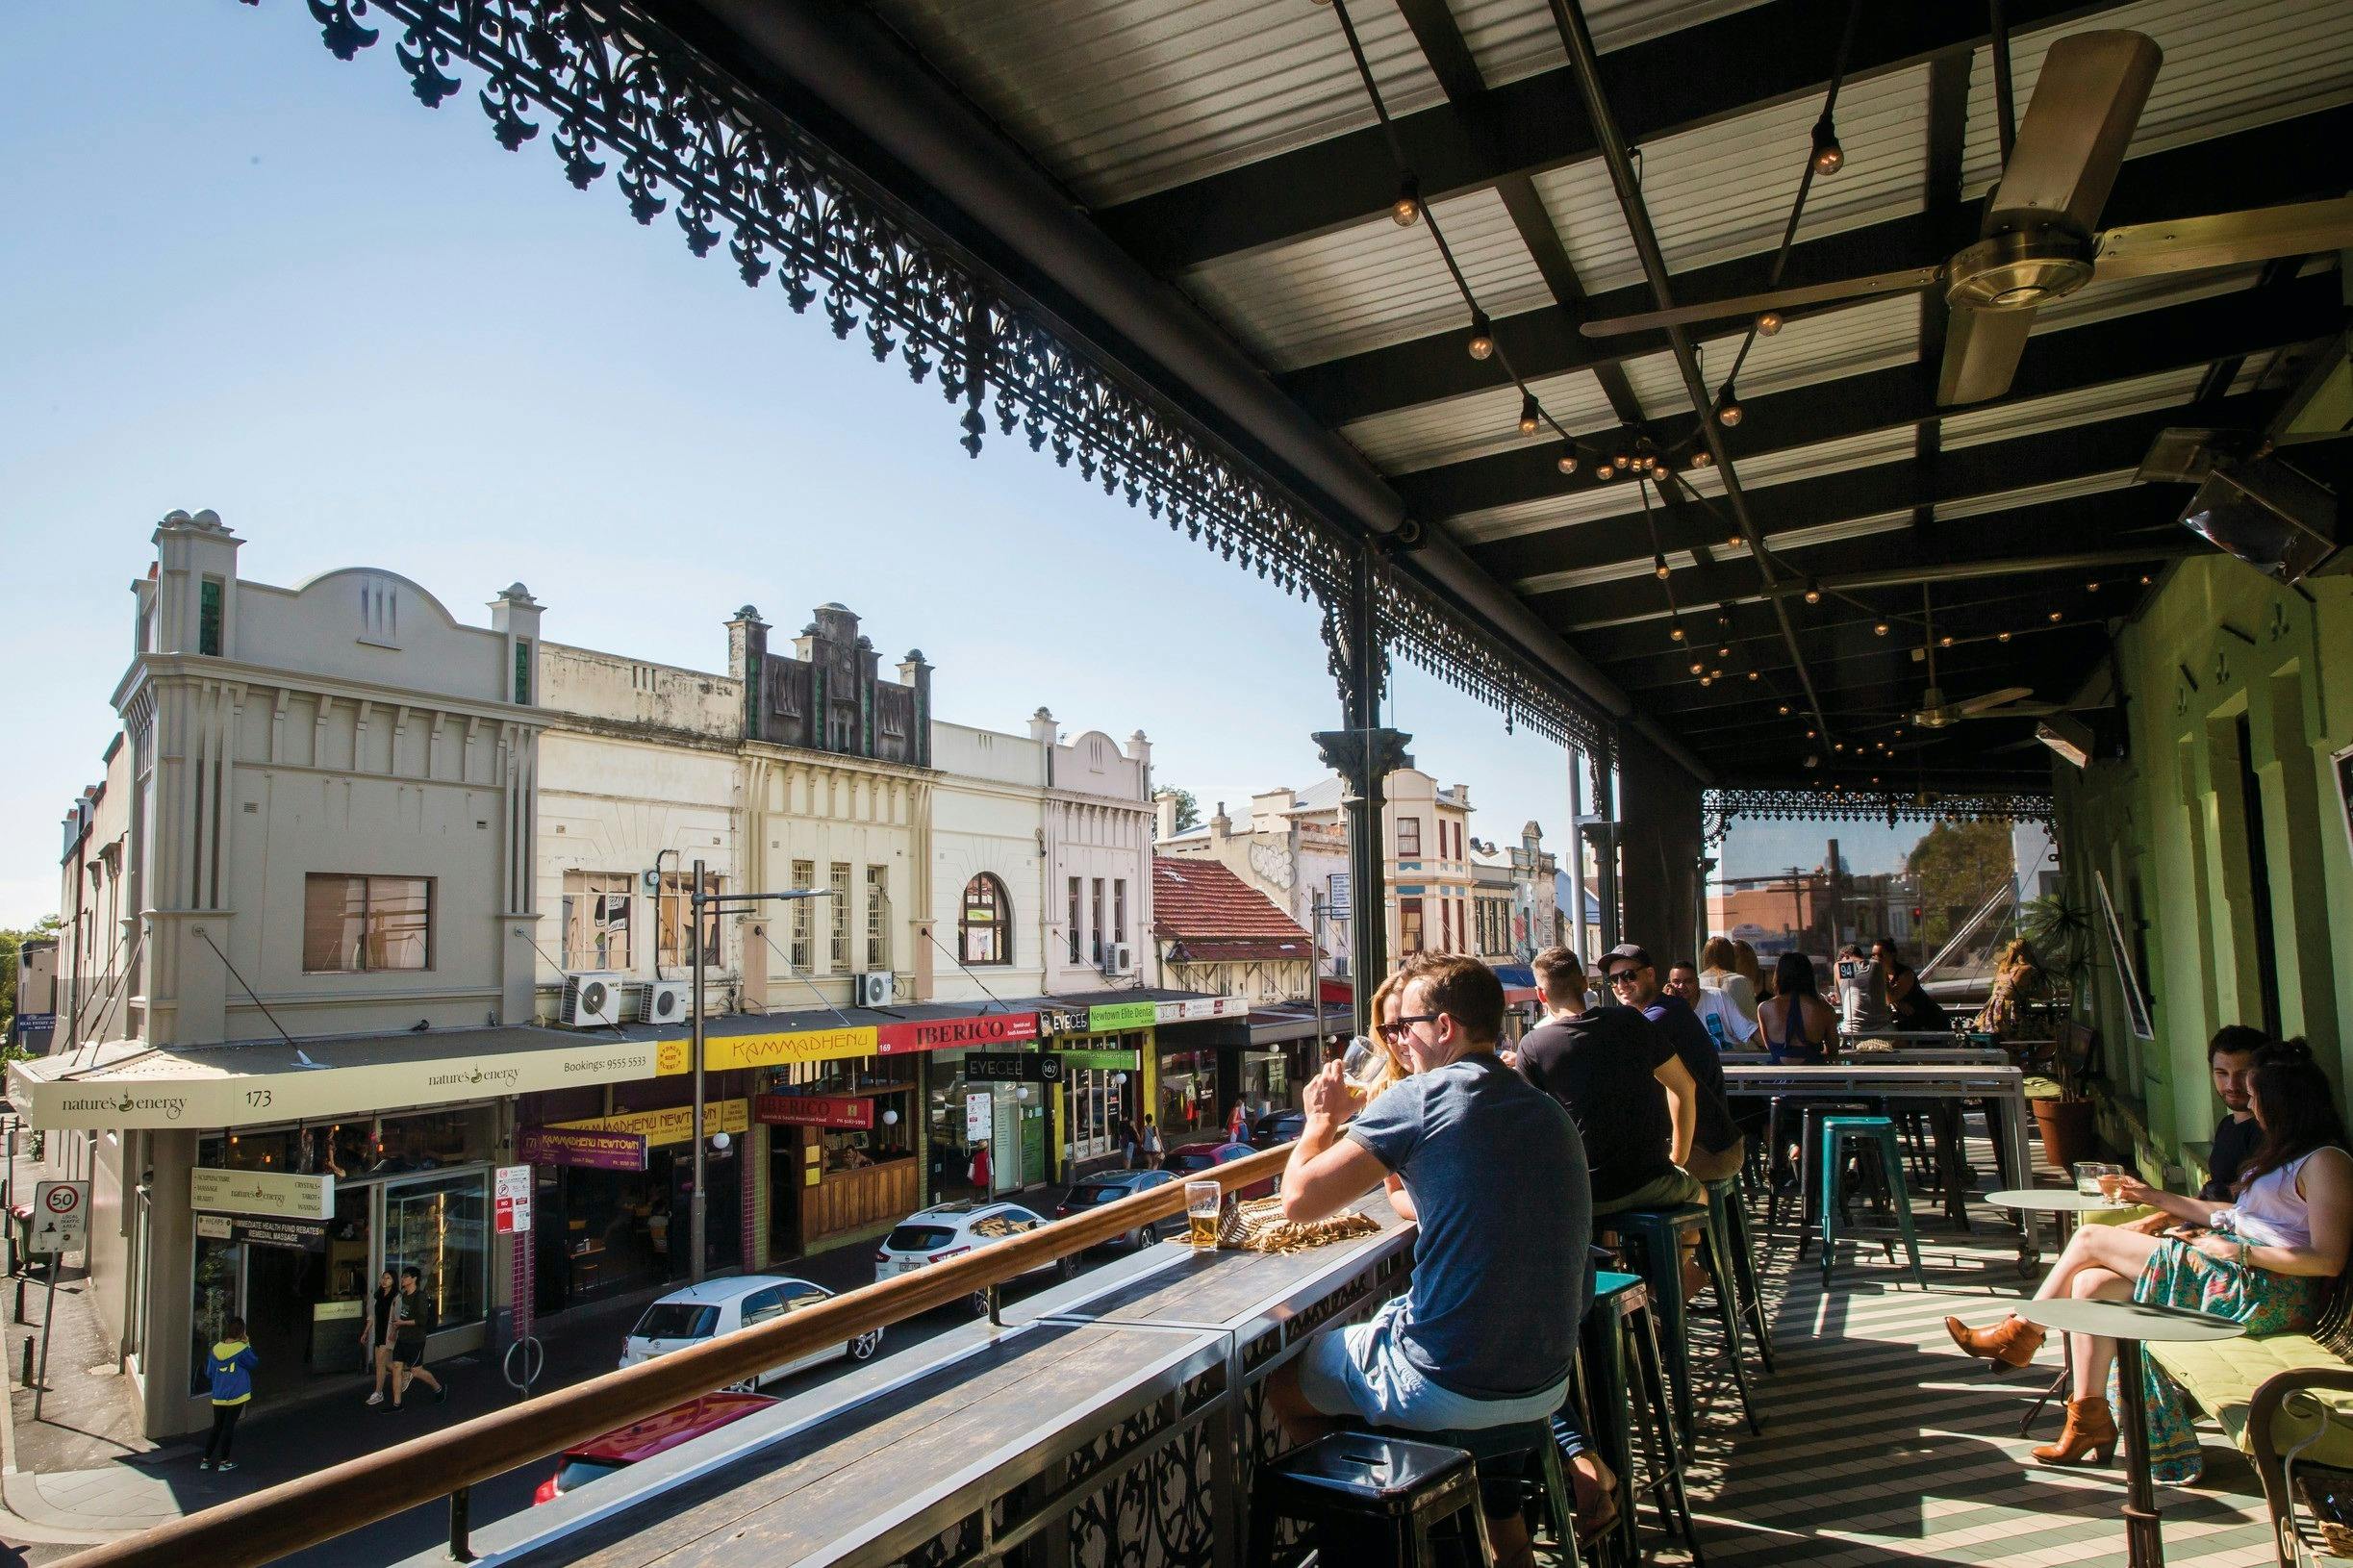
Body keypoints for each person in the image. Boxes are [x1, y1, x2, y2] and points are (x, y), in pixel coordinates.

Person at [1267, 954, 1589, 1568]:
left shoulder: (1424, 1095)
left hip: (1450, 1383)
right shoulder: (1538, 1105)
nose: (1397, 1042)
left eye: (1404, 1027)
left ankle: (1381, 1539)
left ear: (1443, 1028)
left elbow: (1300, 1201)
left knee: (1286, 1384)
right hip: (1546, 1384)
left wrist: (1319, 1121)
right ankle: (1463, 1532)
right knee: (1418, 1322)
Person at [1945, 1039, 2352, 1480]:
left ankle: (2021, 1333)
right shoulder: (2281, 1156)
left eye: (2256, 1097)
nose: (2250, 1105)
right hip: (2238, 1275)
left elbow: (2327, 1260)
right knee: (2091, 1288)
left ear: (2284, 1103)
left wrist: (2241, 1251)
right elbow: (2233, 1216)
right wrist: (2151, 1196)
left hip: (2268, 1291)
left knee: (2089, 1238)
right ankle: (2088, 1419)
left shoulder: (2326, 1162)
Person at [1519, 947, 1702, 1215]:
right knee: (1699, 1194)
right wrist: (1678, 1159)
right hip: (1649, 1180)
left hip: (1585, 1192)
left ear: (1541, 995)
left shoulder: (1533, 1045)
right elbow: (1685, 1086)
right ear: (1584, 983)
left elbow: (1531, 1130)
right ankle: (1683, 1257)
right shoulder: (1630, 1021)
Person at [1603, 944, 1745, 1184]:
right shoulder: (1663, 1011)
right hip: (1709, 1144)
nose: (1621, 985)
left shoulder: (1661, 1016)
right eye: (1613, 979)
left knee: (1617, 1186)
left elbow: (1611, 1058)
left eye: (1628, 975)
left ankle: (1692, 1219)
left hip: (1710, 1151)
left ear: (1650, 974)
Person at [199, 1316, 257, 1471]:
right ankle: (224, 1462)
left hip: (219, 1395)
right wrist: (247, 1343)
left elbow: (209, 1373)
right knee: (228, 1426)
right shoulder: (242, 1349)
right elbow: (253, 1363)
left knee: (217, 1426)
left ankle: (205, 1459)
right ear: (242, 1332)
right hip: (237, 1394)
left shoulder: (215, 1349)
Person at [1756, 952, 1834, 1065]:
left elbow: (1769, 1047)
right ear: (1809, 976)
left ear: (1778, 976)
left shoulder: (1764, 1008)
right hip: (1814, 1077)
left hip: (1776, 1078)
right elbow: (1833, 1050)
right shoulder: (1824, 1008)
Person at [389, 1267, 446, 1410]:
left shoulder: (419, 1296)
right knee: (396, 1367)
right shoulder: (403, 1295)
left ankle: (438, 1388)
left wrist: (402, 1323)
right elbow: (403, 1316)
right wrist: (396, 1329)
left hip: (416, 1339)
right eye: (402, 1276)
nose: (403, 1279)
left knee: (416, 1371)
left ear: (414, 1279)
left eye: (406, 1276)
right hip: (403, 1338)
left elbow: (421, 1320)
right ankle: (397, 1403)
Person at [1671, 958, 1756, 1049]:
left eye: (1688, 981)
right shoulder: (1666, 1008)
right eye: (1676, 982)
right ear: (1669, 984)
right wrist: (1666, 1004)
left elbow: (1749, 1031)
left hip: (1728, 1061)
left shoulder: (1717, 996)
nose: (1681, 986)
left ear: (1697, 982)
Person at [1699, 936, 1761, 1029]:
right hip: (1738, 1042)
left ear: (1705, 957)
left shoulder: (1697, 982)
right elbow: (1752, 1022)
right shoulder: (1741, 981)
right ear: (1730, 956)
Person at [1836, 942, 1892, 1033]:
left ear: (1845, 956)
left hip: (1853, 1033)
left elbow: (1840, 999)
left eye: (1839, 959)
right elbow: (1888, 998)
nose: (1839, 962)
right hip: (1884, 1030)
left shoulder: (1840, 965)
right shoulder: (1878, 965)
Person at [363, 1269, 398, 1406]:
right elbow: (372, 1315)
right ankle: (403, 1373)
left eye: (388, 1278)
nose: (384, 1280)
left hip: (388, 1334)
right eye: (383, 1278)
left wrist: (394, 1331)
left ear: (393, 1280)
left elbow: (397, 1317)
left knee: (380, 1362)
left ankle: (378, 1392)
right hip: (379, 1332)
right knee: (381, 1363)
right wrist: (366, 1331)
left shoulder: (396, 1296)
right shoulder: (378, 1295)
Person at [1885, 964, 1947, 1032]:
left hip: (1930, 1022)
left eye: (1880, 956)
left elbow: (1891, 997)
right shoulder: (1888, 977)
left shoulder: (1906, 975)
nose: (1876, 959)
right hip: (1914, 1023)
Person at [1732, 938, 1767, 1003]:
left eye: (1735, 956)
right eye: (1730, 958)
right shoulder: (1732, 983)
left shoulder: (1767, 978)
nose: (1732, 961)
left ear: (1748, 957)